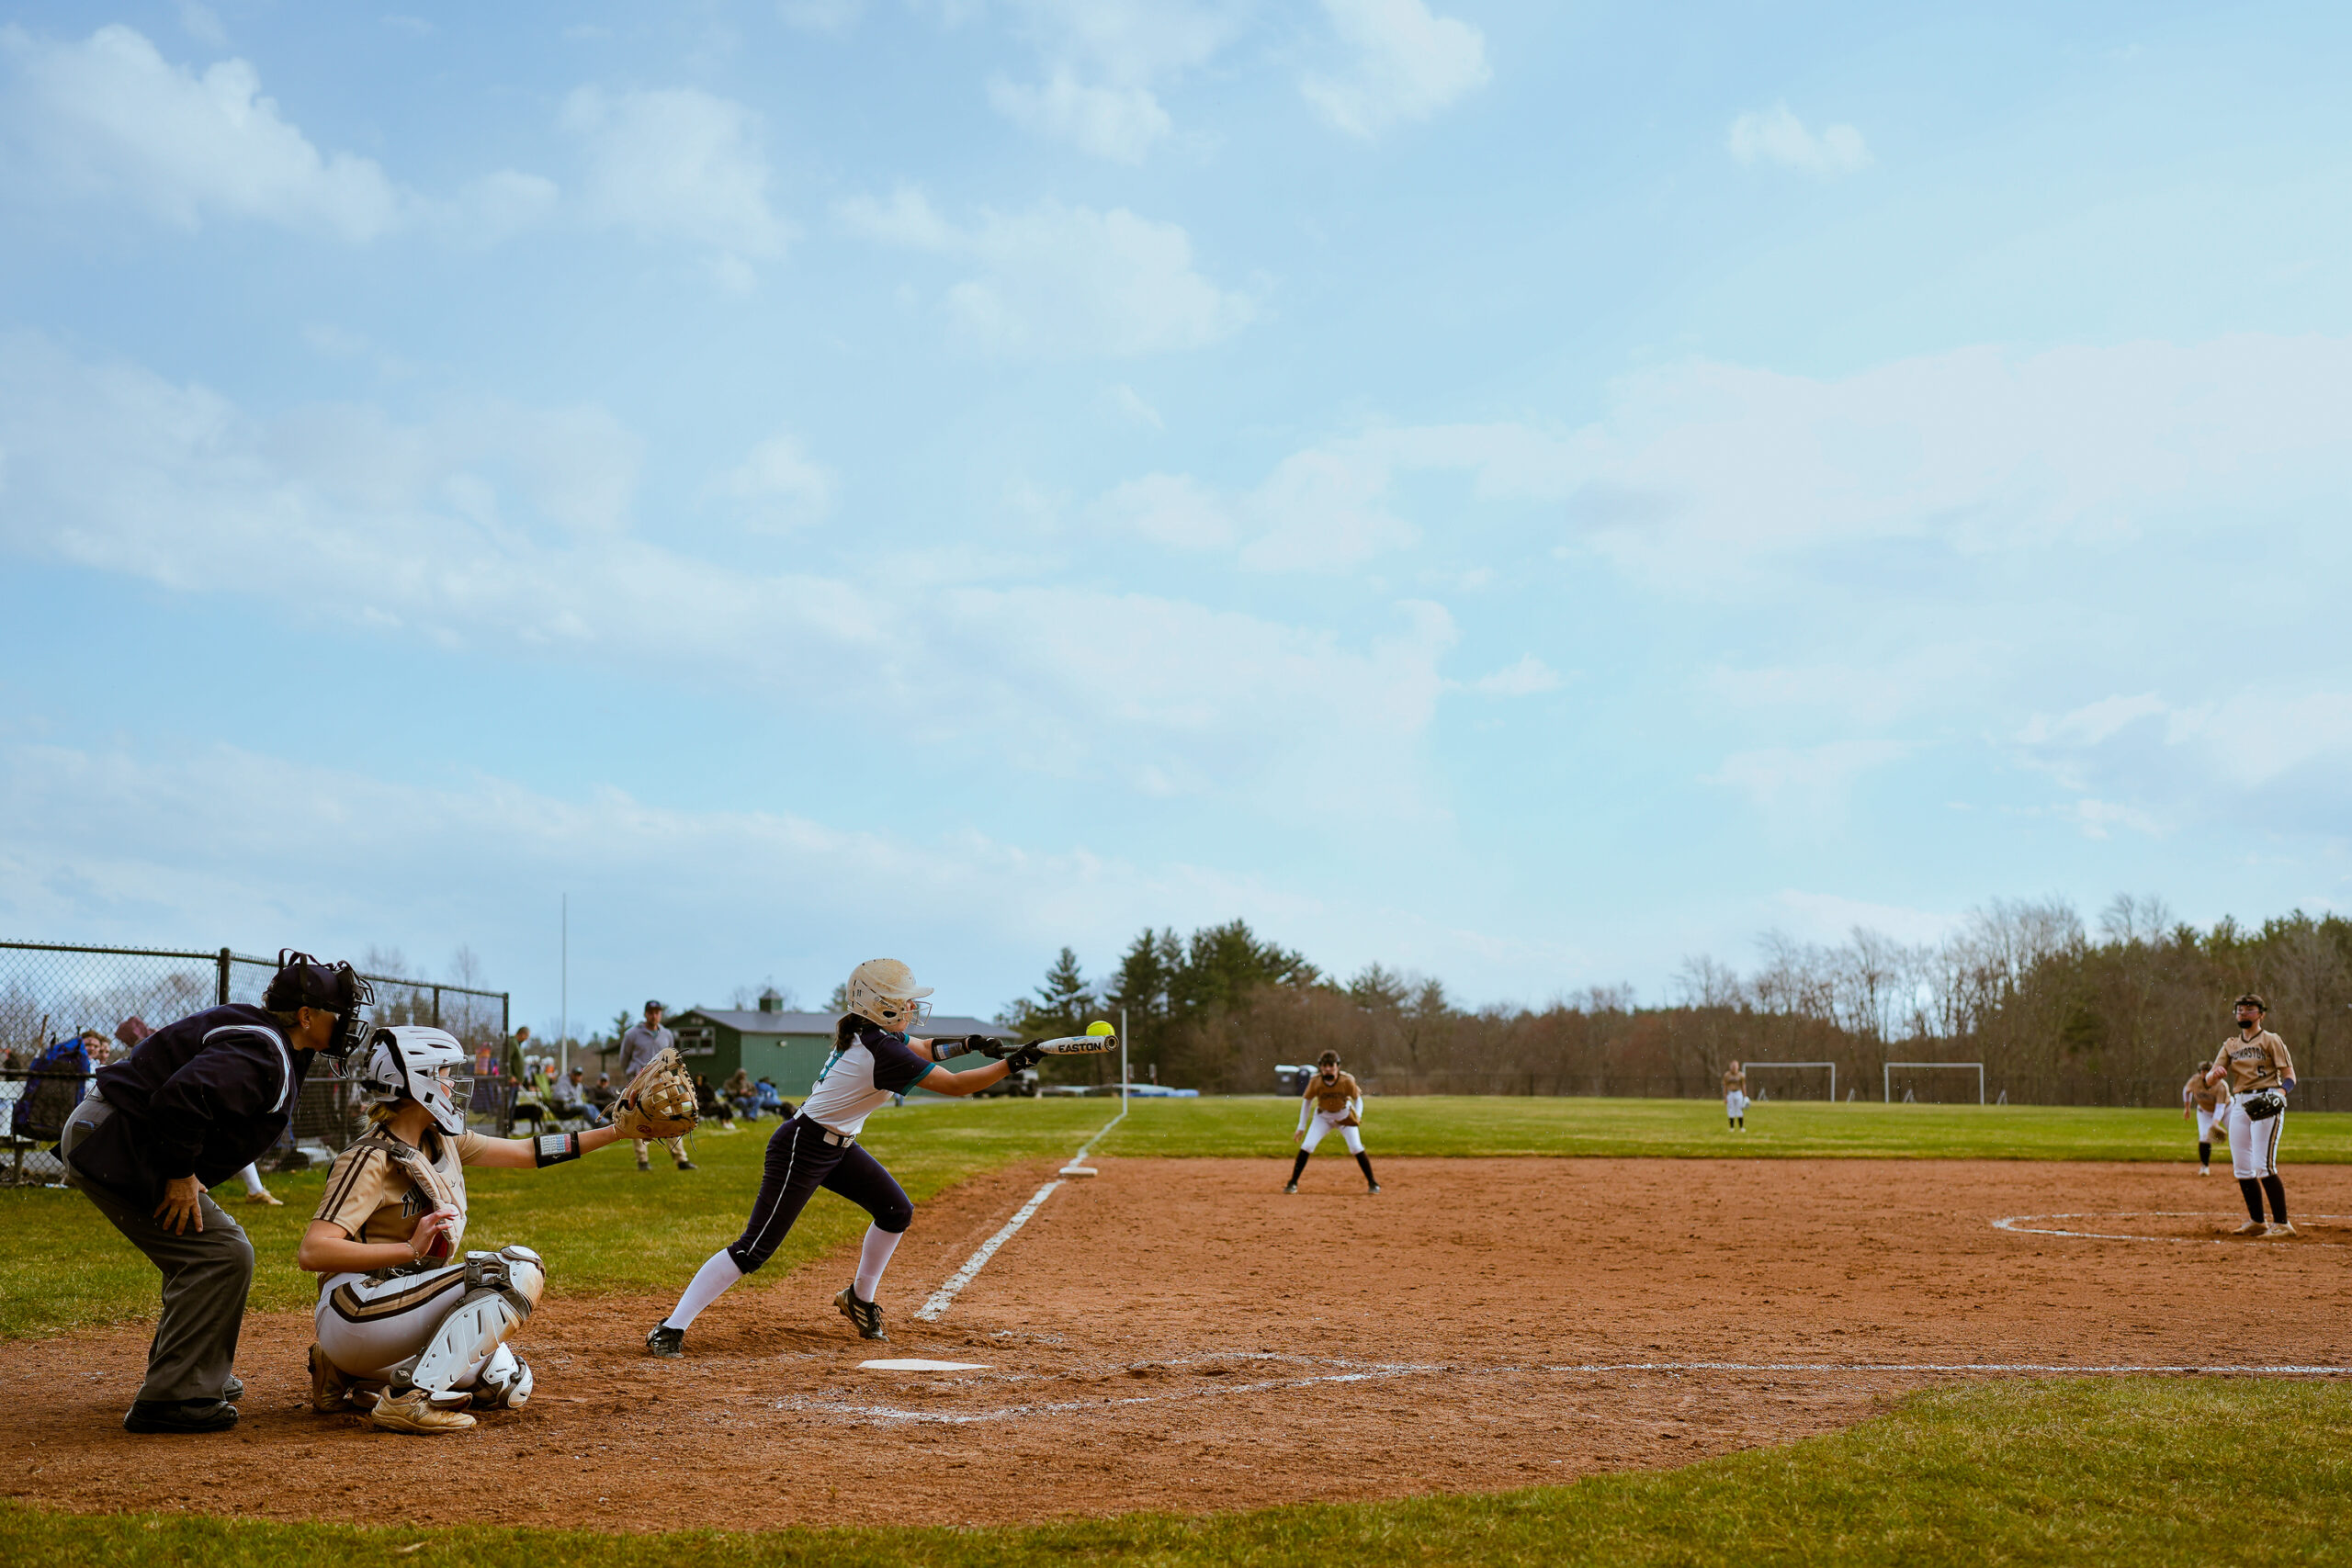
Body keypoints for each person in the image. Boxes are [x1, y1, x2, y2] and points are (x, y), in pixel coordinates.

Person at [643, 959, 1039, 1356]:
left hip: (838, 1146)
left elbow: (922, 1048)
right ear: (879, 1006)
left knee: (895, 1211)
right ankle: (670, 1327)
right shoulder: (882, 1048)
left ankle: (859, 1300)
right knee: (754, 1249)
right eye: (902, 1001)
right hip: (802, 1146)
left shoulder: (872, 1034)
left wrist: (970, 1044)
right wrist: (1011, 1064)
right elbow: (955, 1086)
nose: (910, 1007)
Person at [60, 951, 371, 1434]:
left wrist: (186, 1167)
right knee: (222, 1253)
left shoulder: (265, 1039)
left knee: (204, 1247)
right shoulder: (262, 1051)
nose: (347, 1023)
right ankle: (175, 1395)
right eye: (338, 1013)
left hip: (116, 1131)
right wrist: (180, 1173)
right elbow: (184, 1097)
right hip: (114, 1139)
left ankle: (191, 1369)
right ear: (306, 1016)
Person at [297, 1023, 642, 1434]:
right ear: (419, 1082)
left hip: (396, 1314)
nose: (452, 1085)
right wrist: (409, 1250)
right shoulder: (369, 1158)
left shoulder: (442, 1140)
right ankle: (408, 1399)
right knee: (513, 1272)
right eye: (445, 1075)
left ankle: (342, 1372)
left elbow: (527, 1152)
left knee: (507, 1384)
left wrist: (618, 1132)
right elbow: (314, 1251)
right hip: (356, 1308)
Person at [2201, 994, 2298, 1237]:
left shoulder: (2271, 1040)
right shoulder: (2231, 1045)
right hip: (2240, 1104)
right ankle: (2257, 1221)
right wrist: (2214, 1075)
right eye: (2240, 1009)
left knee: (2263, 1165)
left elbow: (2290, 1076)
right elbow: (2208, 1079)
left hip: (2266, 1100)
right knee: (2242, 1168)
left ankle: (2282, 1223)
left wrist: (2281, 1093)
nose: (2243, 1013)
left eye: (2250, 1009)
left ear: (2261, 1014)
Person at [1285, 1050, 1379, 1195]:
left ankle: (1373, 1183)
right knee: (1307, 1146)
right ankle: (1292, 1183)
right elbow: (1307, 1102)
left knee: (1356, 1147)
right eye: (1324, 1065)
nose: (1327, 1068)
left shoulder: (1346, 1080)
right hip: (1323, 1117)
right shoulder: (1316, 1081)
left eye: (1331, 1065)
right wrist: (1301, 1127)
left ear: (1338, 1066)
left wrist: (1358, 1116)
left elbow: (1358, 1099)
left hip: (1344, 1116)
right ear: (1320, 1067)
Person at [620, 1001, 695, 1172]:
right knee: (638, 1117)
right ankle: (642, 1161)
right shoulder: (632, 1034)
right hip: (640, 1080)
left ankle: (681, 1159)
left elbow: (672, 1055)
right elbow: (624, 1059)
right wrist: (632, 1076)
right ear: (645, 1014)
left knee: (670, 1116)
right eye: (651, 1012)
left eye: (657, 1012)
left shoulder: (666, 1034)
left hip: (662, 1080)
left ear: (660, 1014)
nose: (654, 1016)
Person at [2181, 1063, 2232, 1177]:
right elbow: (2186, 1091)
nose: (2205, 1073)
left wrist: (2215, 1124)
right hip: (2204, 1111)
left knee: (2237, 1134)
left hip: (2227, 1109)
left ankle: (2246, 1166)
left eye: (2208, 1071)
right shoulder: (2195, 1081)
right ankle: (2204, 1167)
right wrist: (2187, 1108)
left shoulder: (2221, 1086)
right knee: (2204, 1137)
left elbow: (2220, 1108)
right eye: (2203, 1071)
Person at [1723, 1060, 1748, 1132]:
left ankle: (1741, 1127)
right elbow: (1725, 1086)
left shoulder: (1741, 1075)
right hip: (1730, 1093)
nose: (1734, 1068)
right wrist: (1725, 1097)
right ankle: (1731, 1127)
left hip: (1738, 1093)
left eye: (1735, 1066)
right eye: (1733, 1066)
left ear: (1738, 1067)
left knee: (1739, 1109)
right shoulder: (1727, 1075)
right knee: (1731, 1110)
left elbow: (1743, 1086)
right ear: (1730, 1067)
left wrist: (1745, 1096)